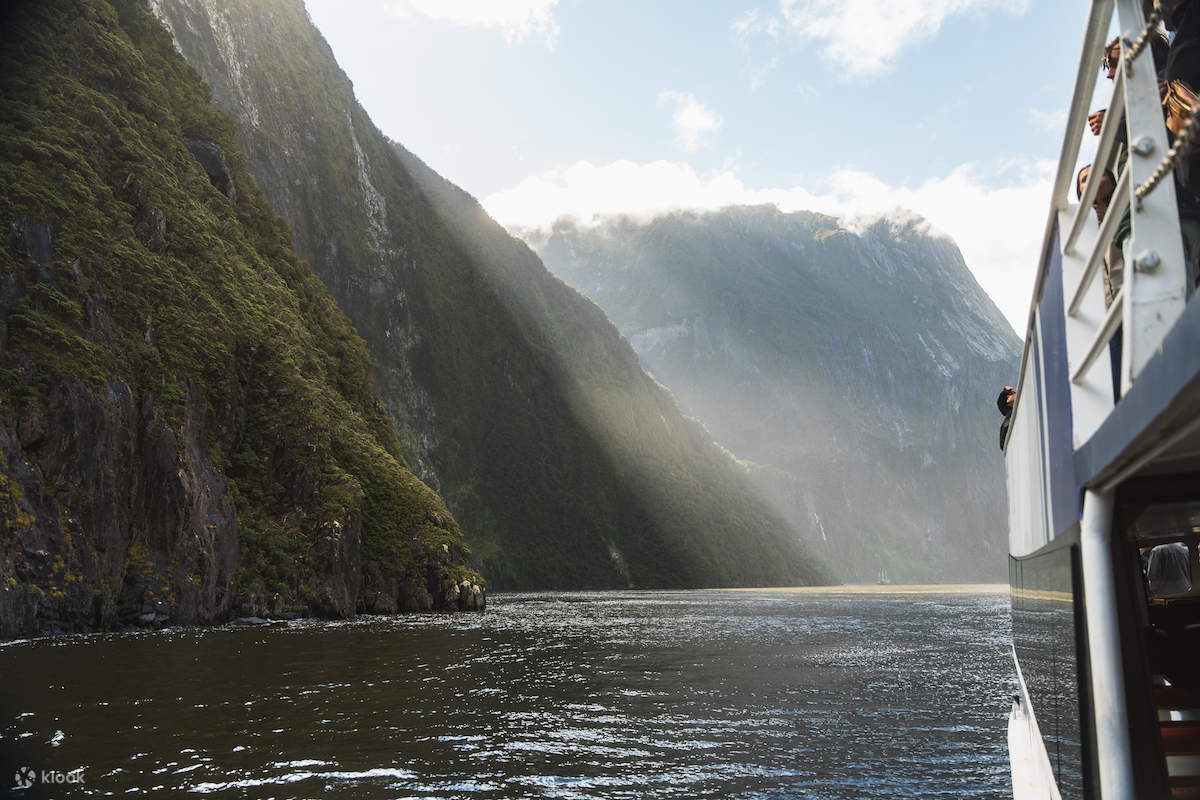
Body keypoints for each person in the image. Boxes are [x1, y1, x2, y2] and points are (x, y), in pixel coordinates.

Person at [996, 385, 1015, 450]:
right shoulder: (1010, 413)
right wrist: (1005, 392)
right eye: (1012, 393)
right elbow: (1000, 403)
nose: (1015, 392)